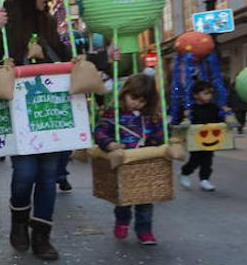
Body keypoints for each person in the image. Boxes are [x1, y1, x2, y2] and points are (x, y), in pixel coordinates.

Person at [0, 0, 72, 260]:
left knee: (48, 174)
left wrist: (101, 58)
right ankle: (19, 220)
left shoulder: (48, 20)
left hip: (49, 109)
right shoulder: (0, 19)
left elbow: (64, 58)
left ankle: (42, 235)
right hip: (19, 110)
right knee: (26, 172)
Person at [93, 74, 164, 245]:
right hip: (124, 162)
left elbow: (160, 134)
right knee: (123, 199)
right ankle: (122, 221)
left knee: (145, 201)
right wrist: (109, 144)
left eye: (142, 100)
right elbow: (100, 131)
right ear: (125, 93)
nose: (137, 103)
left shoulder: (151, 117)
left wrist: (155, 141)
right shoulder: (114, 114)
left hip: (143, 162)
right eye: (133, 98)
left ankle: (145, 231)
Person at [179, 80, 226, 191]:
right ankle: (185, 172)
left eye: (210, 93)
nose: (209, 96)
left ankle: (204, 179)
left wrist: (225, 118)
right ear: (196, 95)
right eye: (205, 93)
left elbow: (220, 120)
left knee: (207, 159)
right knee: (195, 159)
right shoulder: (191, 109)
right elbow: (184, 122)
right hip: (195, 139)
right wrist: (186, 120)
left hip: (210, 138)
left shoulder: (214, 107)